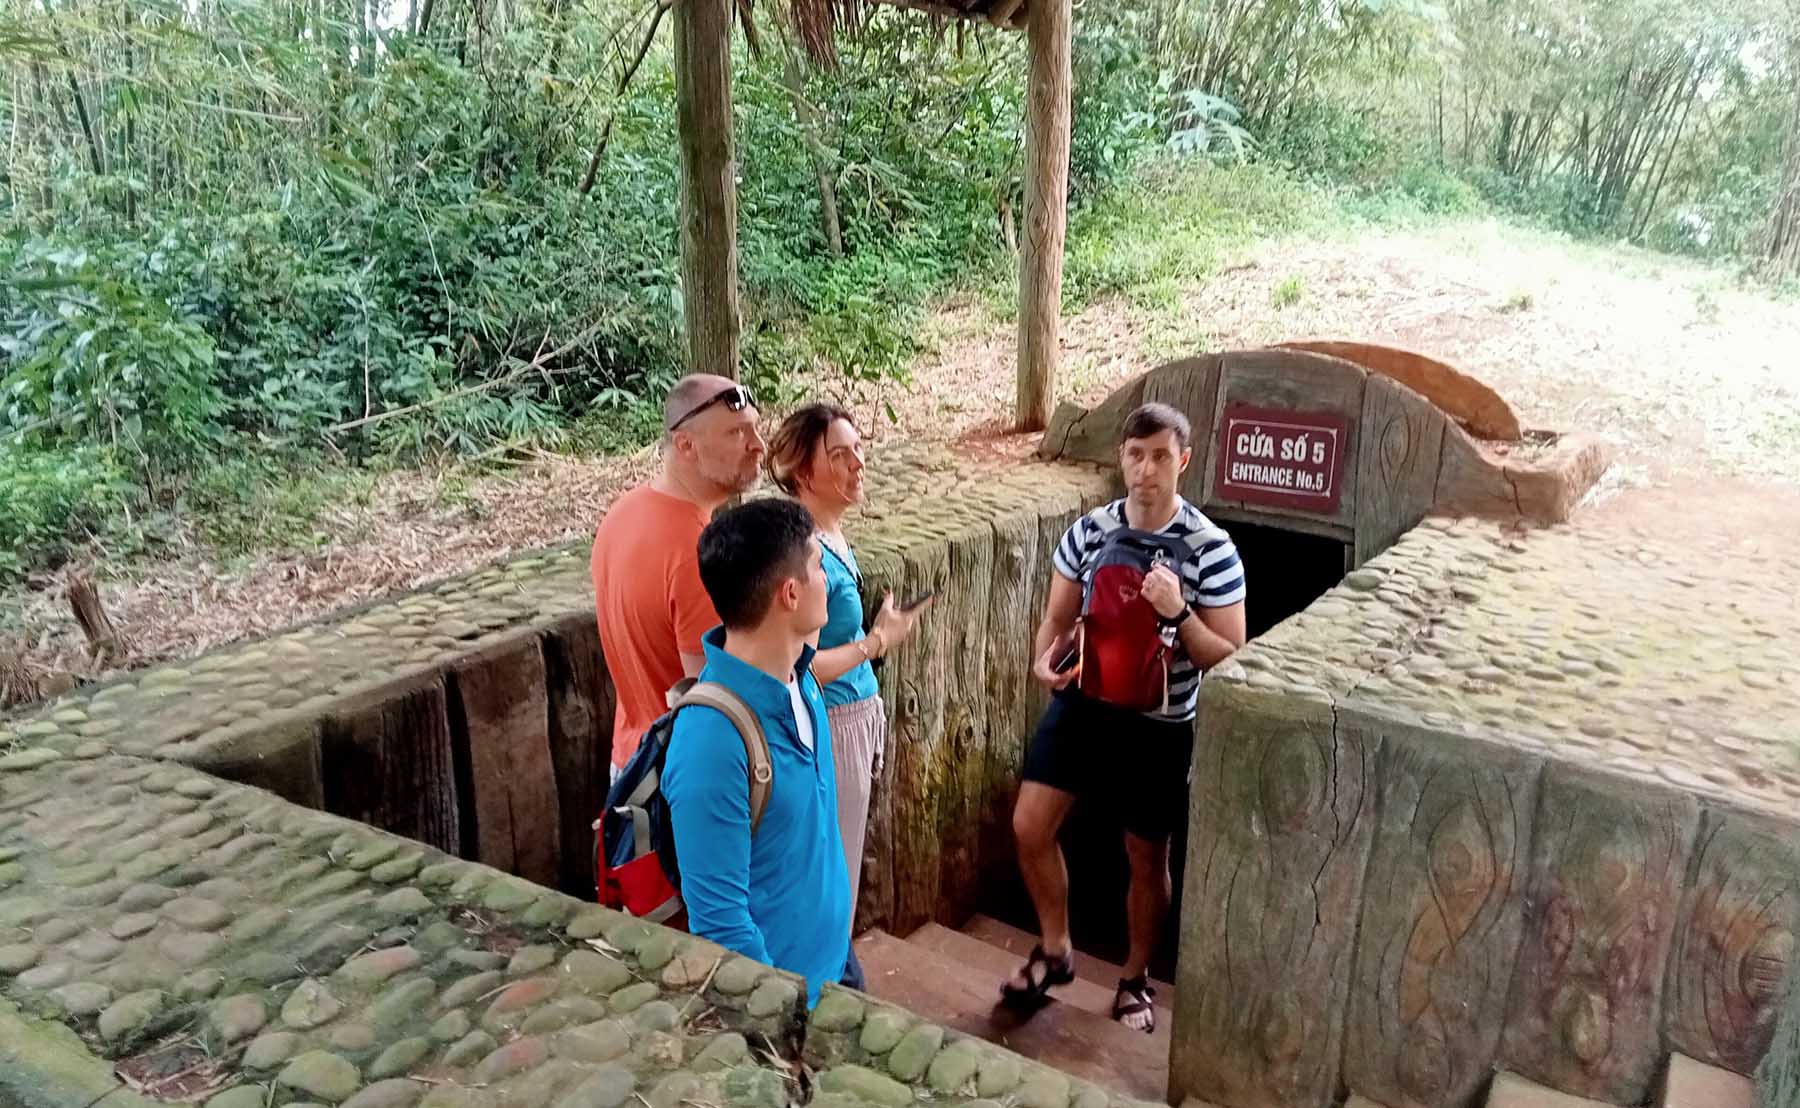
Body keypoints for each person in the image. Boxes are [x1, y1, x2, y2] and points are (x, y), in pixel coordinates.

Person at [1002, 402, 1246, 1034]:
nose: (1146, 470)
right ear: (1121, 458)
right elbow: (1058, 617)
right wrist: (1043, 662)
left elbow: (1231, 659)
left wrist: (1179, 613)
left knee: (1145, 857)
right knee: (1030, 825)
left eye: (1161, 456)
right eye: (1136, 455)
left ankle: (1136, 977)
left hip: (1160, 725)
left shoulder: (1212, 550)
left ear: (1183, 460)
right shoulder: (1088, 531)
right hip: (1083, 702)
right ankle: (1056, 949)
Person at [660, 498, 857, 1005]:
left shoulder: (802, 677)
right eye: (818, 566)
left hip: (837, 963)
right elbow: (720, 920)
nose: (828, 579)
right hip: (785, 1002)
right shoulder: (712, 741)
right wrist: (783, 1021)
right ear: (789, 594)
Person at [766, 404, 931, 923]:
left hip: (851, 719)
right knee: (833, 875)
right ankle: (829, 980)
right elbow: (799, 666)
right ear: (802, 472)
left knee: (840, 862)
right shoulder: (806, 548)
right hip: (831, 726)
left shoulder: (829, 533)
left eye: (858, 449)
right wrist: (877, 641)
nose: (858, 463)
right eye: (840, 455)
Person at [590, 374, 765, 774]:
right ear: (685, 445)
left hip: (632, 760)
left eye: (756, 428)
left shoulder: (623, 512)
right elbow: (714, 704)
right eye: (737, 433)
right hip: (683, 777)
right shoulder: (697, 553)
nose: (758, 445)